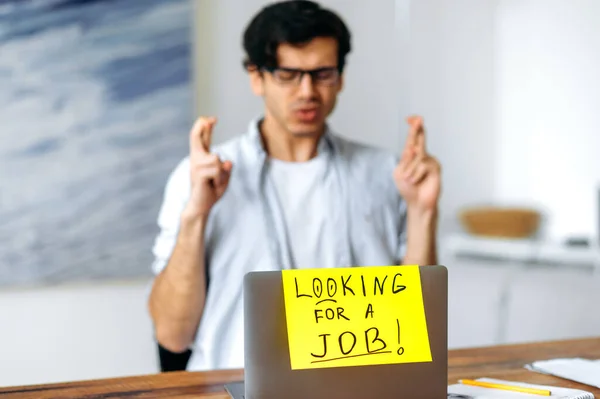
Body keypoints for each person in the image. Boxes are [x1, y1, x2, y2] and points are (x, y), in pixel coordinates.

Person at [148, 0, 441, 372]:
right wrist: (196, 214)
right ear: (257, 77)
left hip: (360, 386)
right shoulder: (200, 176)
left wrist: (422, 210)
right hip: (233, 386)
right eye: (288, 74)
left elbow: (420, 323)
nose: (307, 92)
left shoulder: (386, 173)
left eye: (323, 74)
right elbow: (173, 335)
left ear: (341, 76)